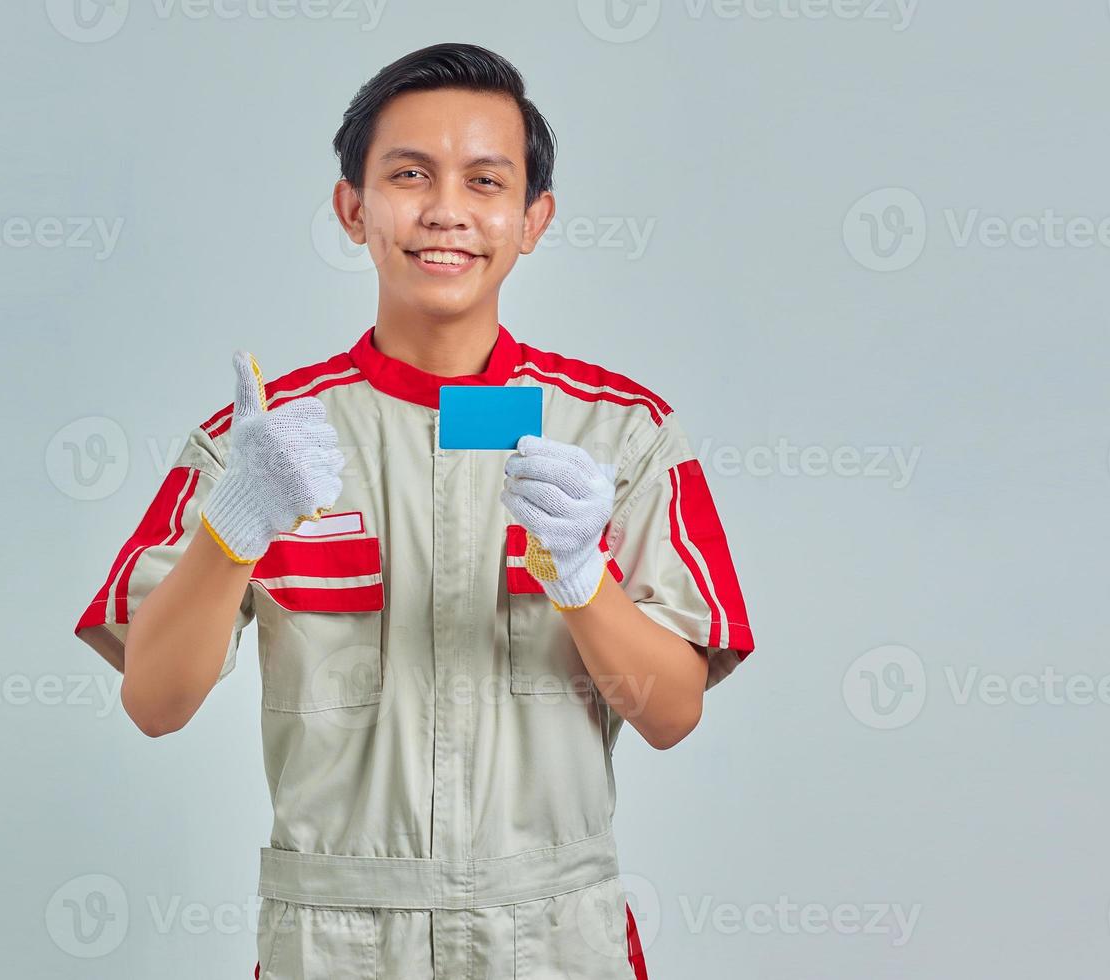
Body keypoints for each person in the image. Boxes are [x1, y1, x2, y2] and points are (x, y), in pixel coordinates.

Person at [74, 42, 756, 980]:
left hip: (552, 939)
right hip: (336, 940)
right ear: (353, 208)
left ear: (533, 218)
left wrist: (582, 575)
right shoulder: (270, 440)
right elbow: (154, 703)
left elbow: (672, 714)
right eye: (408, 174)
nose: (446, 211)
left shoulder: (617, 433)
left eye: (486, 181)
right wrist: (234, 529)